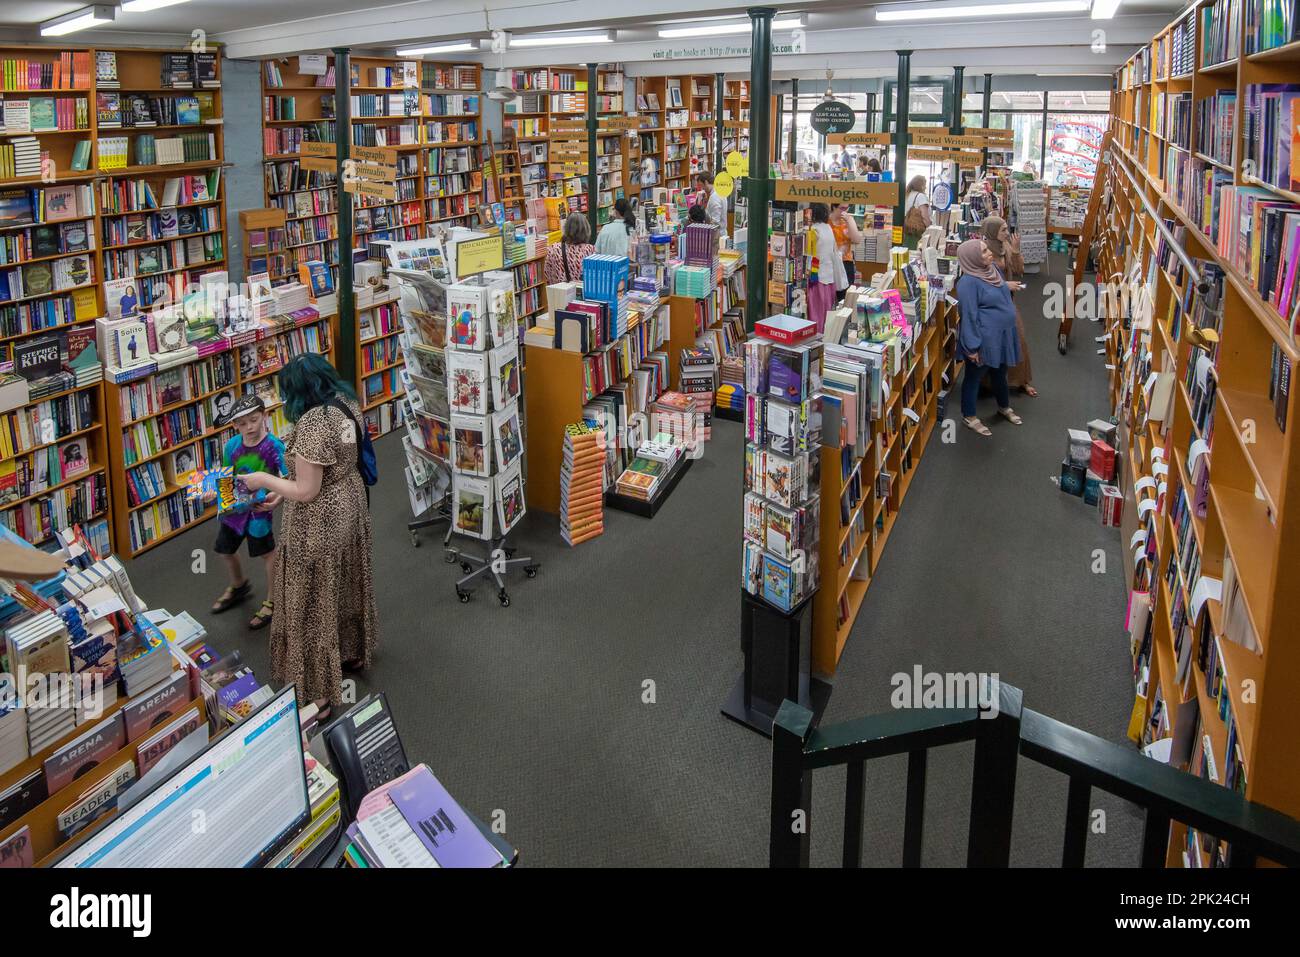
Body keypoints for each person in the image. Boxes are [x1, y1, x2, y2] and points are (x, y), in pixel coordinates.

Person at [239, 354, 378, 720]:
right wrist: (281, 492)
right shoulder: (345, 403)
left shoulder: (314, 424)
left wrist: (265, 481)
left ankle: (318, 694)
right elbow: (325, 469)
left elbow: (306, 490)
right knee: (343, 582)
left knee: (312, 599)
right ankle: (351, 650)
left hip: (320, 523)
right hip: (350, 501)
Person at [208, 395, 285, 629]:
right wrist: (213, 492)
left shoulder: (274, 446)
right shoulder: (232, 446)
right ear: (234, 426)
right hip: (234, 511)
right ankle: (239, 585)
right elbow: (225, 477)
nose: (249, 427)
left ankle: (273, 600)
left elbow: (289, 478)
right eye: (242, 424)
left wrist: (278, 499)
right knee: (225, 550)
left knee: (267, 553)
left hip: (259, 512)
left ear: (265, 415)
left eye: (253, 420)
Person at [956, 239, 1022, 436]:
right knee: (974, 375)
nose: (989, 254)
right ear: (973, 258)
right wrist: (972, 347)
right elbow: (969, 315)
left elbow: (1002, 293)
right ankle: (969, 416)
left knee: (1000, 371)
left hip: (1002, 334)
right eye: (984, 252)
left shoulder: (993, 270)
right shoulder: (968, 283)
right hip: (984, 338)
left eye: (987, 250)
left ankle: (1003, 407)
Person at [981, 216, 1037, 398]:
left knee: (1018, 340)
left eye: (1006, 228)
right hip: (991, 304)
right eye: (1003, 229)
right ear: (992, 231)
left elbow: (1019, 269)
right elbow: (980, 282)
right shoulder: (983, 251)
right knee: (993, 344)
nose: (1007, 232)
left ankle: (1021, 381)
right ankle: (990, 382)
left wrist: (1015, 250)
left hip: (1007, 301)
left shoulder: (1004, 246)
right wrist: (1004, 285)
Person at [806, 203, 848, 334]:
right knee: (826, 312)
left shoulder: (813, 231)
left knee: (815, 313)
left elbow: (809, 255)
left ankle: (816, 337)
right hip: (829, 278)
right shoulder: (828, 228)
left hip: (816, 279)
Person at [543, 212, 595, 285]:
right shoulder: (590, 250)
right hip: (582, 294)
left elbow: (547, 275)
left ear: (566, 228)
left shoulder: (554, 249)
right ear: (586, 229)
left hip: (560, 293)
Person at [829, 203, 863, 302]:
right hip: (831, 262)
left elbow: (857, 240)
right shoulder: (827, 222)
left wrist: (848, 221)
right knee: (831, 293)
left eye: (847, 208)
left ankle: (843, 315)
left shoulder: (849, 220)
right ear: (834, 207)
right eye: (842, 208)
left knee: (844, 295)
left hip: (845, 261)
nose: (845, 211)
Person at [694, 171, 728, 237]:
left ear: (706, 182)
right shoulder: (720, 191)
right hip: (722, 233)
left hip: (716, 237)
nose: (702, 189)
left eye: (702, 185)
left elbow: (715, 222)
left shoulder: (714, 197)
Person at [903, 175, 930, 243]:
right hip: (918, 232)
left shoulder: (907, 194)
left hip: (908, 229)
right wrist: (930, 230)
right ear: (921, 185)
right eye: (924, 185)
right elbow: (924, 216)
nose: (925, 187)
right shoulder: (921, 196)